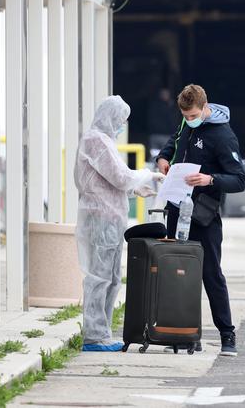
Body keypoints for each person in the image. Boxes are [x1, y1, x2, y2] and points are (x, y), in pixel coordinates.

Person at [156, 84, 245, 357]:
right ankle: (185, 333)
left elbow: (240, 179)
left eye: (193, 114)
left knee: (210, 274)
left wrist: (211, 179)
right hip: (176, 207)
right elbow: (175, 141)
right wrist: (162, 157)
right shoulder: (187, 123)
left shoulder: (223, 135)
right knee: (178, 273)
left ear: (205, 108)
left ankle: (227, 334)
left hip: (203, 214)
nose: (189, 118)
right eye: (185, 115)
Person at [75, 96, 164, 352]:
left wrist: (136, 192)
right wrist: (148, 174)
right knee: (99, 277)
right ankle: (93, 336)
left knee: (112, 278)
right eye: (122, 120)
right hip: (100, 217)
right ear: (111, 117)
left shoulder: (104, 142)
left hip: (110, 217)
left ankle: (102, 332)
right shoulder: (96, 141)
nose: (123, 125)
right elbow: (121, 177)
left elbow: (107, 182)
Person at [147, 88, 178, 156]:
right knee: (165, 156)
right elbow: (173, 120)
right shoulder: (169, 107)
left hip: (154, 135)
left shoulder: (153, 105)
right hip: (165, 136)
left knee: (154, 156)